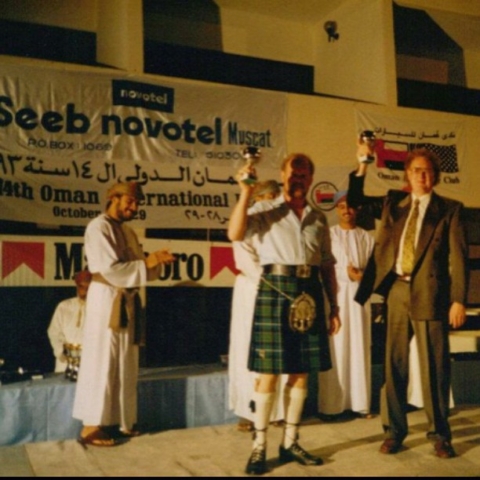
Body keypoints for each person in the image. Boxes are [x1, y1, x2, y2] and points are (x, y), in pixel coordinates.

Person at [347, 143, 468, 459]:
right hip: (397, 293)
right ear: (408, 175)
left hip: (431, 295)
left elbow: (459, 259)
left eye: (427, 171)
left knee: (435, 370)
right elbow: (356, 200)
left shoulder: (450, 209)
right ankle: (394, 432)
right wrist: (363, 163)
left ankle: (440, 435)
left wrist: (458, 301)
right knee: (394, 366)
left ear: (435, 177)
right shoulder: (394, 203)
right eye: (416, 170)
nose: (422, 176)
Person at [228, 153, 341, 475]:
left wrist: (334, 306)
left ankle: (290, 441)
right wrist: (245, 191)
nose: (298, 179)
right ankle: (259, 446)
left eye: (304, 175)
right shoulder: (264, 210)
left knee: (301, 371)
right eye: (293, 173)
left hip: (310, 290)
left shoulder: (319, 218)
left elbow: (328, 265)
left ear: (310, 178)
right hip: (275, 291)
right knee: (269, 374)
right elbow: (235, 234)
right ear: (283, 174)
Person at [72, 181, 176, 447]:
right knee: (103, 360)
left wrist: (155, 262)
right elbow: (109, 268)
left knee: (125, 362)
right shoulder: (99, 227)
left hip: (127, 300)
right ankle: (91, 427)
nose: (134, 206)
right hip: (106, 298)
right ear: (113, 198)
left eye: (137, 203)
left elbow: (140, 267)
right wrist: (147, 262)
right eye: (129, 201)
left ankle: (121, 421)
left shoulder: (128, 231)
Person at [228, 180, 287, 432]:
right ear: (260, 198)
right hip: (254, 290)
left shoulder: (282, 222)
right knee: (248, 349)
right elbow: (246, 258)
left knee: (278, 349)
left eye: (278, 196)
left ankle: (275, 411)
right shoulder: (248, 218)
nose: (276, 201)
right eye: (272, 196)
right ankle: (248, 412)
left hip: (281, 290)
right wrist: (271, 283)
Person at [318, 190, 375, 420]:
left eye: (350, 206)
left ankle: (360, 405)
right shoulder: (328, 235)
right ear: (336, 209)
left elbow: (375, 273)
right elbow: (323, 269)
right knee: (337, 349)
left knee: (359, 348)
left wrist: (361, 277)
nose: (346, 211)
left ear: (357, 209)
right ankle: (331, 407)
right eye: (341, 206)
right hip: (335, 298)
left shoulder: (367, 238)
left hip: (359, 300)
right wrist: (346, 274)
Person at [47, 270, 92, 373]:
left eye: (88, 288)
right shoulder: (64, 306)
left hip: (90, 362)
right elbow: (54, 332)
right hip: (65, 363)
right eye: (81, 287)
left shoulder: (99, 308)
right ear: (76, 286)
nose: (84, 291)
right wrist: (63, 352)